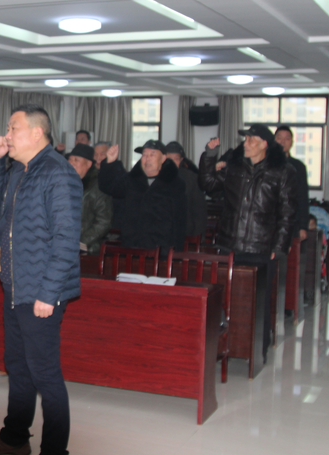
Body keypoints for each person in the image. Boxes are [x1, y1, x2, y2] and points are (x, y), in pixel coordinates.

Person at [0, 105, 81, 455]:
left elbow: (66, 239)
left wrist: (48, 294)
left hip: (40, 291)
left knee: (45, 375)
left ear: (37, 132)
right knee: (18, 368)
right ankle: (14, 438)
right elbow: (1, 197)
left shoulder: (58, 173)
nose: (7, 135)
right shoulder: (21, 169)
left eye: (13, 128)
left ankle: (54, 450)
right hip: (16, 287)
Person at [198, 124, 297, 357]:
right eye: (245, 139)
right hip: (229, 243)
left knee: (258, 301)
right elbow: (208, 184)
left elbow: (287, 212)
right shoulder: (235, 166)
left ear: (264, 144)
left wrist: (279, 247)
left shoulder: (282, 171)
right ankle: (228, 346)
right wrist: (209, 156)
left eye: (251, 140)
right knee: (227, 298)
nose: (246, 144)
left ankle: (258, 349)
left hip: (260, 246)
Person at [98, 140, 187, 254]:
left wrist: (174, 253)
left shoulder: (174, 184)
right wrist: (109, 163)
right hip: (131, 247)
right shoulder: (131, 180)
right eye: (144, 155)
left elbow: (179, 222)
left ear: (163, 158)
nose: (147, 158)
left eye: (152, 155)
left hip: (161, 250)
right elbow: (108, 187)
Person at [68, 143, 112, 254]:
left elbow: (104, 221)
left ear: (88, 164)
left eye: (76, 160)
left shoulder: (98, 187)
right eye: (70, 159)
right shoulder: (62, 184)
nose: (71, 163)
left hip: (87, 248)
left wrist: (81, 242)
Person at [165, 141, 206, 238]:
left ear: (181, 160)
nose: (172, 163)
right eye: (169, 159)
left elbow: (199, 211)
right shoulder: (155, 177)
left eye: (176, 159)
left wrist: (198, 239)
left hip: (185, 234)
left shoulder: (191, 179)